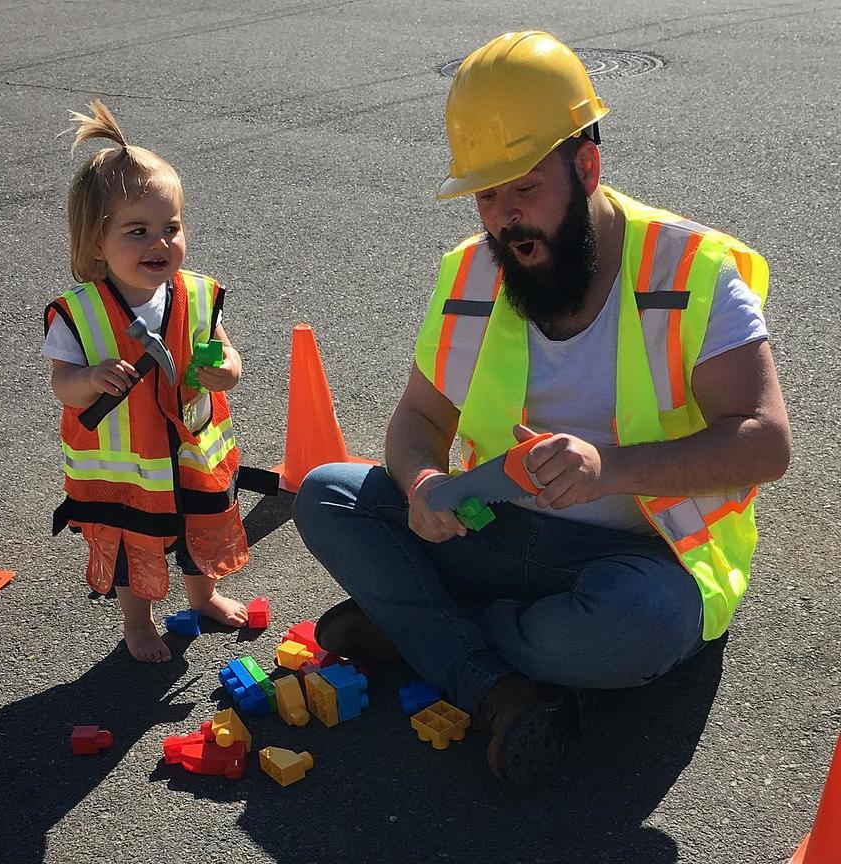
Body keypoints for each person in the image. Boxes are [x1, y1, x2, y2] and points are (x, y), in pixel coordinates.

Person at [293, 31, 791, 785]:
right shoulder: (470, 273)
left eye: (523, 188)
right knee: (327, 493)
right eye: (486, 195)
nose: (503, 219)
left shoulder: (694, 270)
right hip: (495, 531)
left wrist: (609, 469)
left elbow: (764, 443)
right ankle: (488, 675)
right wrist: (425, 484)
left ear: (586, 166)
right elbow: (418, 421)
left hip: (635, 563)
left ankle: (429, 631)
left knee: (636, 629)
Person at [43, 101, 249, 663]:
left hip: (191, 454)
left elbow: (227, 351)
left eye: (171, 228)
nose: (160, 244)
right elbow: (63, 385)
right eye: (138, 231)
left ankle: (203, 596)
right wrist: (88, 378)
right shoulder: (78, 313)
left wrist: (227, 369)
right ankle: (137, 622)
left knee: (198, 532)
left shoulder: (200, 293)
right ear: (94, 244)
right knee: (137, 548)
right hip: (130, 470)